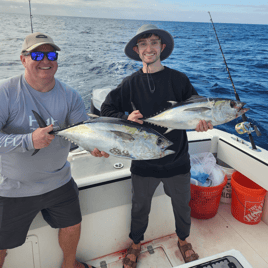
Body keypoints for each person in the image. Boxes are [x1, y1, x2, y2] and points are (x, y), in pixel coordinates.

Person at [100, 24, 213, 267]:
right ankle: (136, 243)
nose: (149, 48)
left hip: (177, 159)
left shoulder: (178, 79)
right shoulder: (129, 83)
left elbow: (196, 108)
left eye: (153, 43)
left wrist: (200, 123)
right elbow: (105, 109)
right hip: (143, 162)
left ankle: (183, 240)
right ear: (137, 50)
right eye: (143, 44)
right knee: (140, 208)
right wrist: (125, 118)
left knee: (183, 206)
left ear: (162, 47)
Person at [0, 32, 108, 268]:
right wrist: (28, 140)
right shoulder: (5, 92)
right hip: (12, 187)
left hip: (58, 181)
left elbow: (83, 132)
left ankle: (69, 265)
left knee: (73, 225)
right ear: (23, 59)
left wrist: (95, 146)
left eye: (51, 54)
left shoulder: (70, 95)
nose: (45, 60)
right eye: (37, 54)